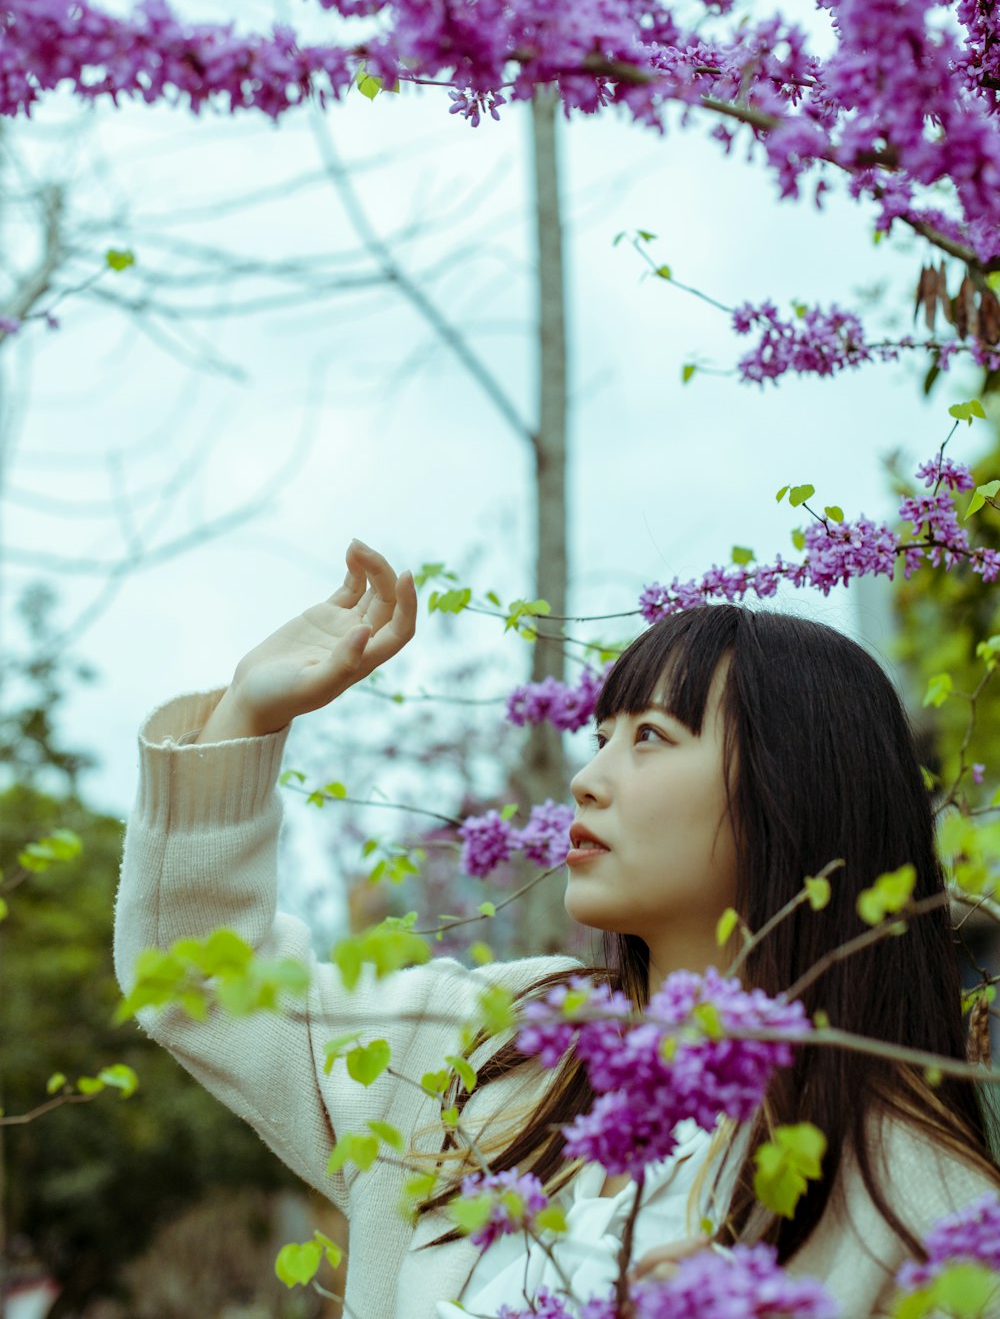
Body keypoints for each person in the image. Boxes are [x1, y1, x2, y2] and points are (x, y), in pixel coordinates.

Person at [114, 539, 1000, 1319]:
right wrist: (249, 715)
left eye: (650, 736)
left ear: (793, 786)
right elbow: (199, 984)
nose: (587, 777)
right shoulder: (493, 1044)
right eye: (601, 734)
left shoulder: (925, 1211)